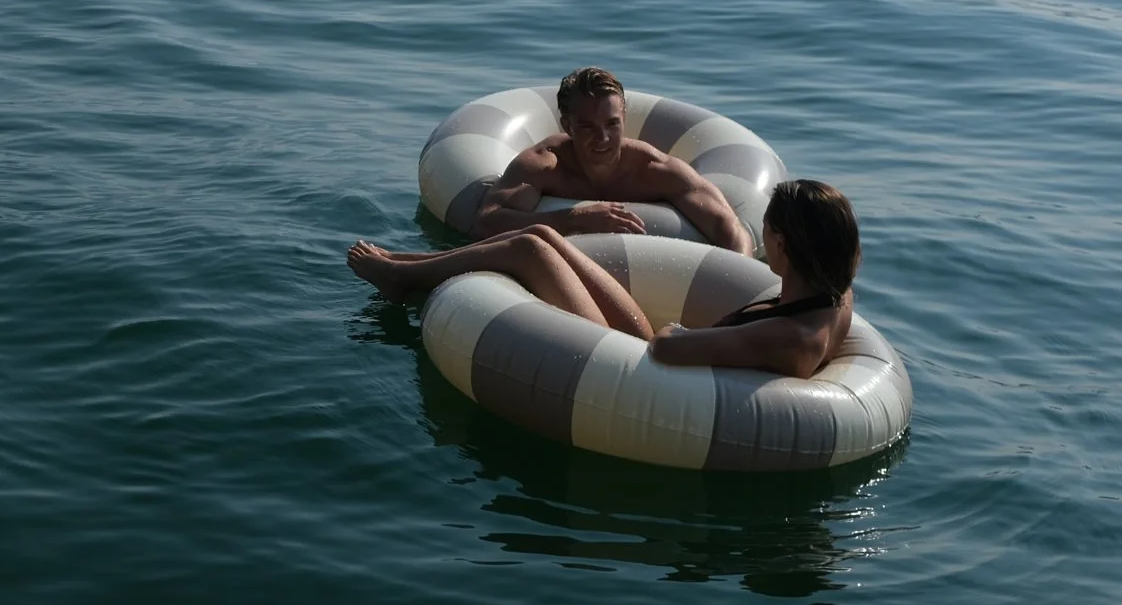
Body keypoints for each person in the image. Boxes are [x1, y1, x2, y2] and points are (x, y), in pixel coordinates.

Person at [345, 178, 860, 379]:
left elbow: (667, 350)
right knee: (545, 236)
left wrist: (686, 333)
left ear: (785, 246)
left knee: (529, 248)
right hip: (657, 345)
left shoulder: (789, 335)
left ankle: (398, 277)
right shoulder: (836, 298)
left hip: (640, 365)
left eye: (768, 232)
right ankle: (406, 264)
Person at [466, 67, 754, 255]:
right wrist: (575, 219)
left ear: (625, 119)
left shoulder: (653, 170)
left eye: (612, 124)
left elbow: (729, 228)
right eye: (588, 127)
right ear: (567, 126)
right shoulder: (545, 166)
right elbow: (487, 222)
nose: (602, 137)